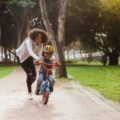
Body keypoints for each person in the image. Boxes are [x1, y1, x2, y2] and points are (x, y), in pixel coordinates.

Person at [16, 28, 48, 100]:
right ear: (34, 36)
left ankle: (28, 85)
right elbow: (30, 52)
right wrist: (38, 59)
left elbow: (39, 54)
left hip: (28, 57)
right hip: (21, 57)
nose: (39, 39)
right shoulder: (28, 40)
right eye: (38, 37)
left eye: (41, 38)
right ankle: (29, 93)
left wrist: (41, 59)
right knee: (29, 74)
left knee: (34, 76)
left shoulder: (40, 44)